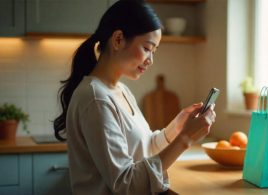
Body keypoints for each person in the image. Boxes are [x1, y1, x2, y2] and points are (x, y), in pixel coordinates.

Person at [53, 0, 216, 194]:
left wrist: (175, 128)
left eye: (154, 51)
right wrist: (185, 139)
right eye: (147, 48)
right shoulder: (97, 99)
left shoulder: (120, 90)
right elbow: (126, 185)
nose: (151, 60)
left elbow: (144, 148)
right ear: (118, 39)